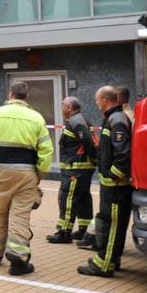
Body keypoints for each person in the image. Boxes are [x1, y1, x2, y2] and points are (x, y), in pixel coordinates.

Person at [0, 80, 53, 276]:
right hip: (27, 173)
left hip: (0, 171)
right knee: (19, 215)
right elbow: (46, 150)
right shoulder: (36, 118)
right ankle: (18, 260)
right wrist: (39, 173)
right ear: (25, 97)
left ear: (10, 94)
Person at [79, 86, 133, 278]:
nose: (96, 103)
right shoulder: (113, 118)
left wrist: (113, 174)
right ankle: (110, 258)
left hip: (116, 187)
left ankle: (105, 264)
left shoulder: (116, 119)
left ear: (104, 100)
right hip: (112, 185)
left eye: (96, 100)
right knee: (110, 223)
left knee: (113, 224)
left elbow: (123, 153)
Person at [46, 96, 95, 244]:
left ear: (69, 107)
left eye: (62, 106)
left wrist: (94, 158)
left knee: (68, 199)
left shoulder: (76, 121)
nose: (61, 109)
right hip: (80, 169)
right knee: (83, 198)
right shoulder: (78, 120)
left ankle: (64, 232)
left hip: (76, 170)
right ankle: (83, 230)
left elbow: (88, 142)